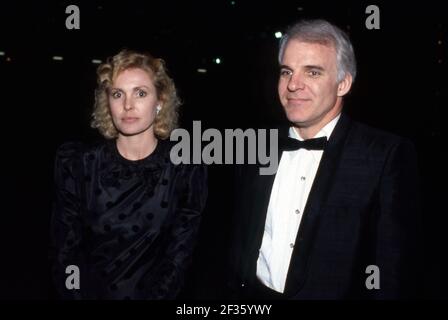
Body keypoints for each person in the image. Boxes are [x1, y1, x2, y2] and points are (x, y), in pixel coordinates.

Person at [228, 19, 420, 299]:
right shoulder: (257, 146)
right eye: (286, 72)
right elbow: (239, 242)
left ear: (343, 84)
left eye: (313, 72)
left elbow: (392, 266)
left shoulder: (384, 155)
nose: (293, 85)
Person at [50, 49, 207, 299]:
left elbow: (178, 260)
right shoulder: (78, 164)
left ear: (160, 102)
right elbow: (65, 254)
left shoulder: (185, 169)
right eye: (117, 93)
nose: (127, 105)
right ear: (107, 102)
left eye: (140, 93)